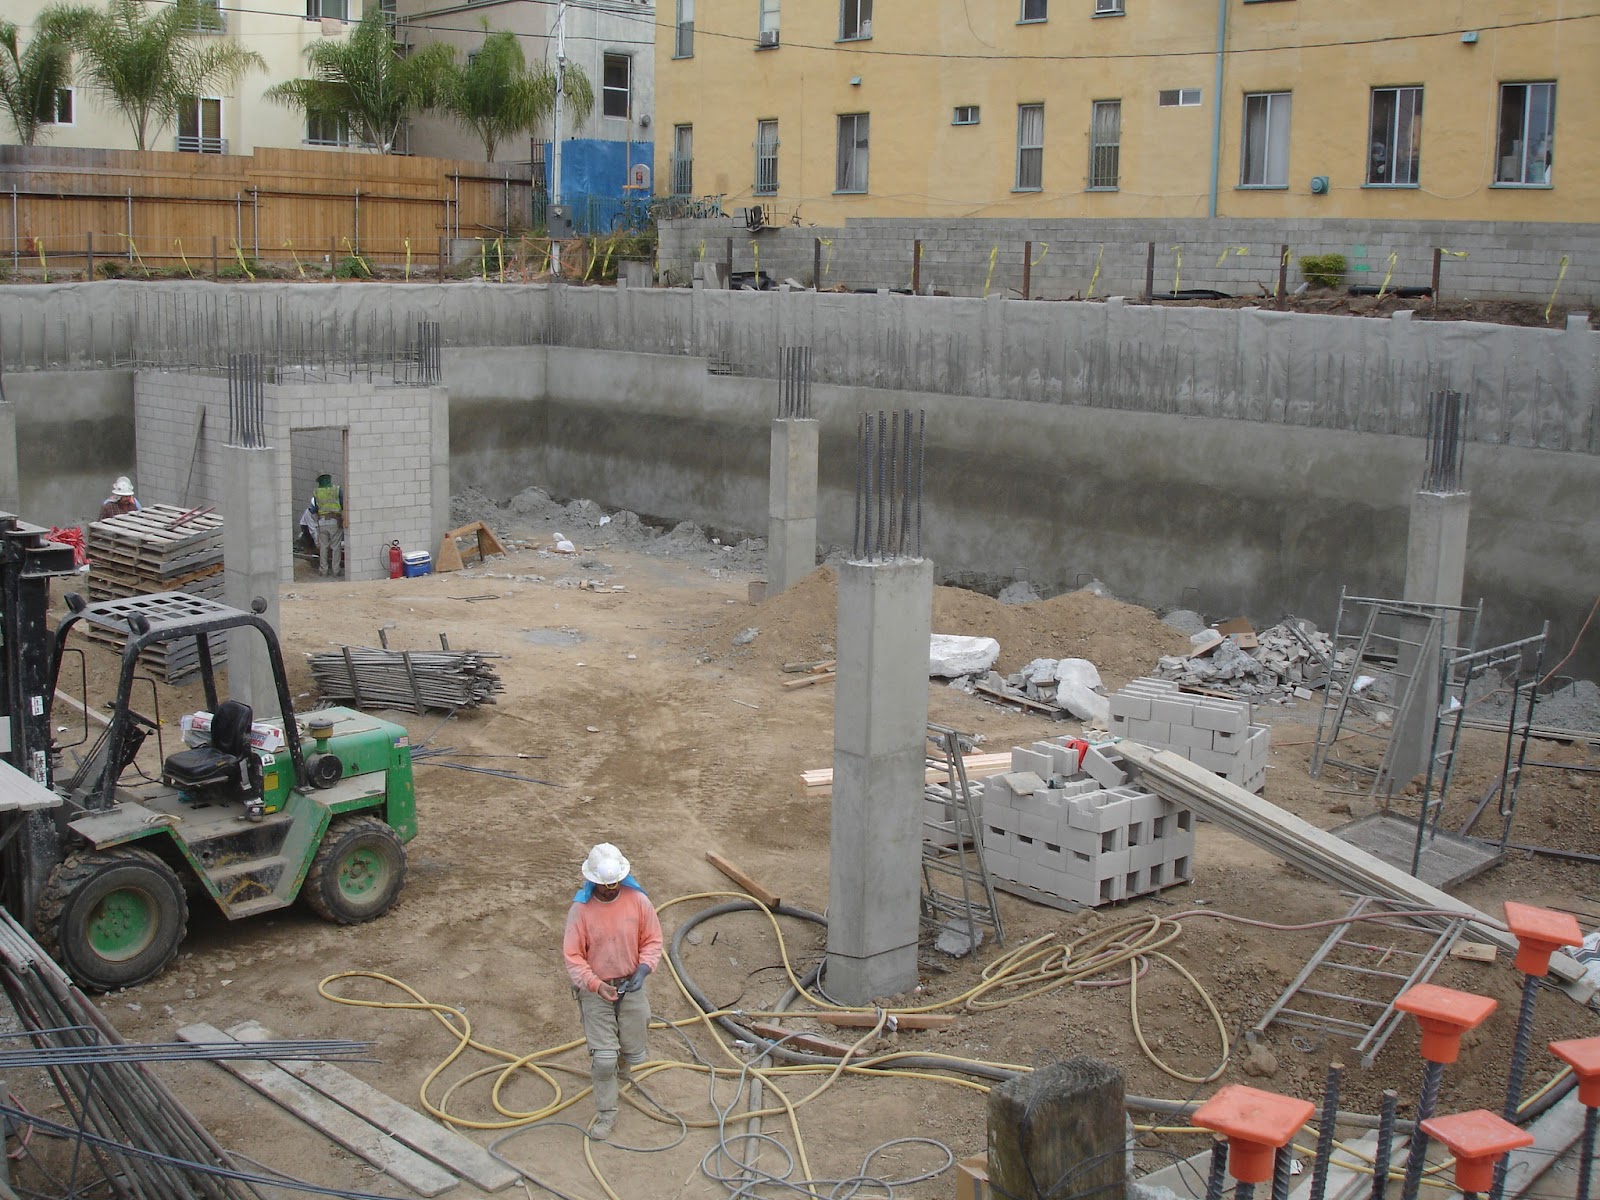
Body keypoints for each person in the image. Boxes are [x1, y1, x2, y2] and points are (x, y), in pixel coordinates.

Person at [562, 842, 662, 1141]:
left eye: (614, 883)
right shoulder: (581, 911)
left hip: (630, 984)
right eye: (604, 885)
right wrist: (595, 984)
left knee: (634, 1050)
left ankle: (621, 1069)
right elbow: (573, 957)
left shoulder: (639, 902)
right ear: (593, 881)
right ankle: (607, 1112)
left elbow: (652, 940)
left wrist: (643, 970)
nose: (610, 890)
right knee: (604, 1058)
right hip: (595, 990)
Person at [312, 473, 345, 577]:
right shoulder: (337, 490)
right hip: (334, 521)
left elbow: (313, 509)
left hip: (322, 522)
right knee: (336, 547)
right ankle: (336, 570)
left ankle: (323, 570)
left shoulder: (316, 492)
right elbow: (343, 504)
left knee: (323, 547)